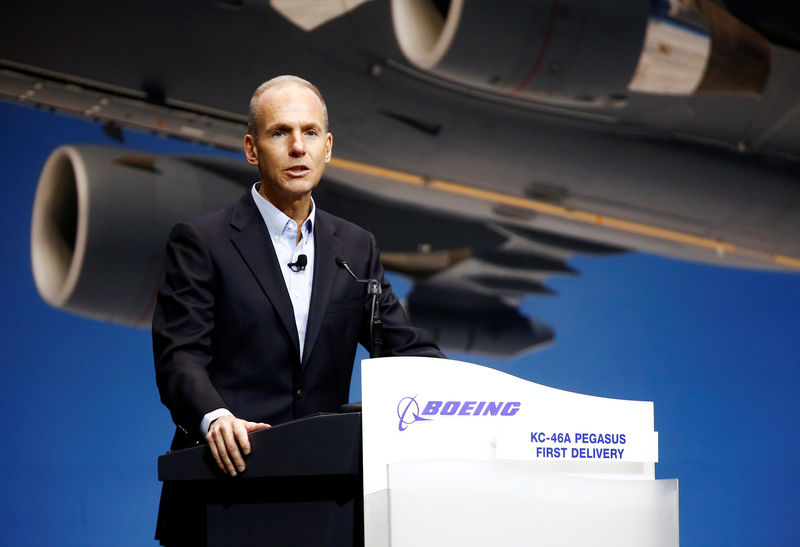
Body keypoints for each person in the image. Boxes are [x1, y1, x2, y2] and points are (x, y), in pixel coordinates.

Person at [152, 75, 444, 543]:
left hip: (327, 503)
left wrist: (464, 398)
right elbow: (179, 357)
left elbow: (405, 347)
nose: (297, 148)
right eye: (279, 133)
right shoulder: (202, 241)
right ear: (252, 149)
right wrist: (214, 417)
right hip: (222, 493)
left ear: (327, 148)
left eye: (309, 133)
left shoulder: (354, 246)